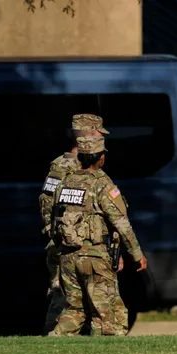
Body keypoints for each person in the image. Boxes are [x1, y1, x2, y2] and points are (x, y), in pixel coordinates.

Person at [47, 135, 147, 336]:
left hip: (68, 256)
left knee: (74, 310)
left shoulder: (65, 182)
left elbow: (53, 218)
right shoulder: (102, 184)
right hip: (94, 257)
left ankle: (54, 343)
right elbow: (121, 223)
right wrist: (137, 255)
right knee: (106, 316)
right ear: (100, 158)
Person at [40, 114, 128, 334]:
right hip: (75, 246)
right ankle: (53, 342)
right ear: (89, 134)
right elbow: (50, 205)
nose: (101, 137)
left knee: (73, 302)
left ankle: (55, 341)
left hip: (69, 244)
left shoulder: (60, 165)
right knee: (71, 301)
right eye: (99, 132)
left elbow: (47, 204)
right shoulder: (68, 167)